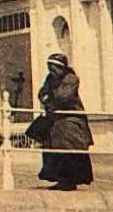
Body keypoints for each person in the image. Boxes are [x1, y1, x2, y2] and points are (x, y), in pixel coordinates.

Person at [36, 53, 94, 190]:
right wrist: (45, 96)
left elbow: (63, 96)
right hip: (55, 120)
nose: (52, 70)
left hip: (70, 119)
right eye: (49, 67)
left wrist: (48, 97)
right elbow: (42, 93)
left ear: (61, 67)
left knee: (70, 149)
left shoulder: (71, 79)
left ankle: (70, 180)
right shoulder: (50, 79)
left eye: (54, 67)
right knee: (54, 149)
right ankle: (61, 180)